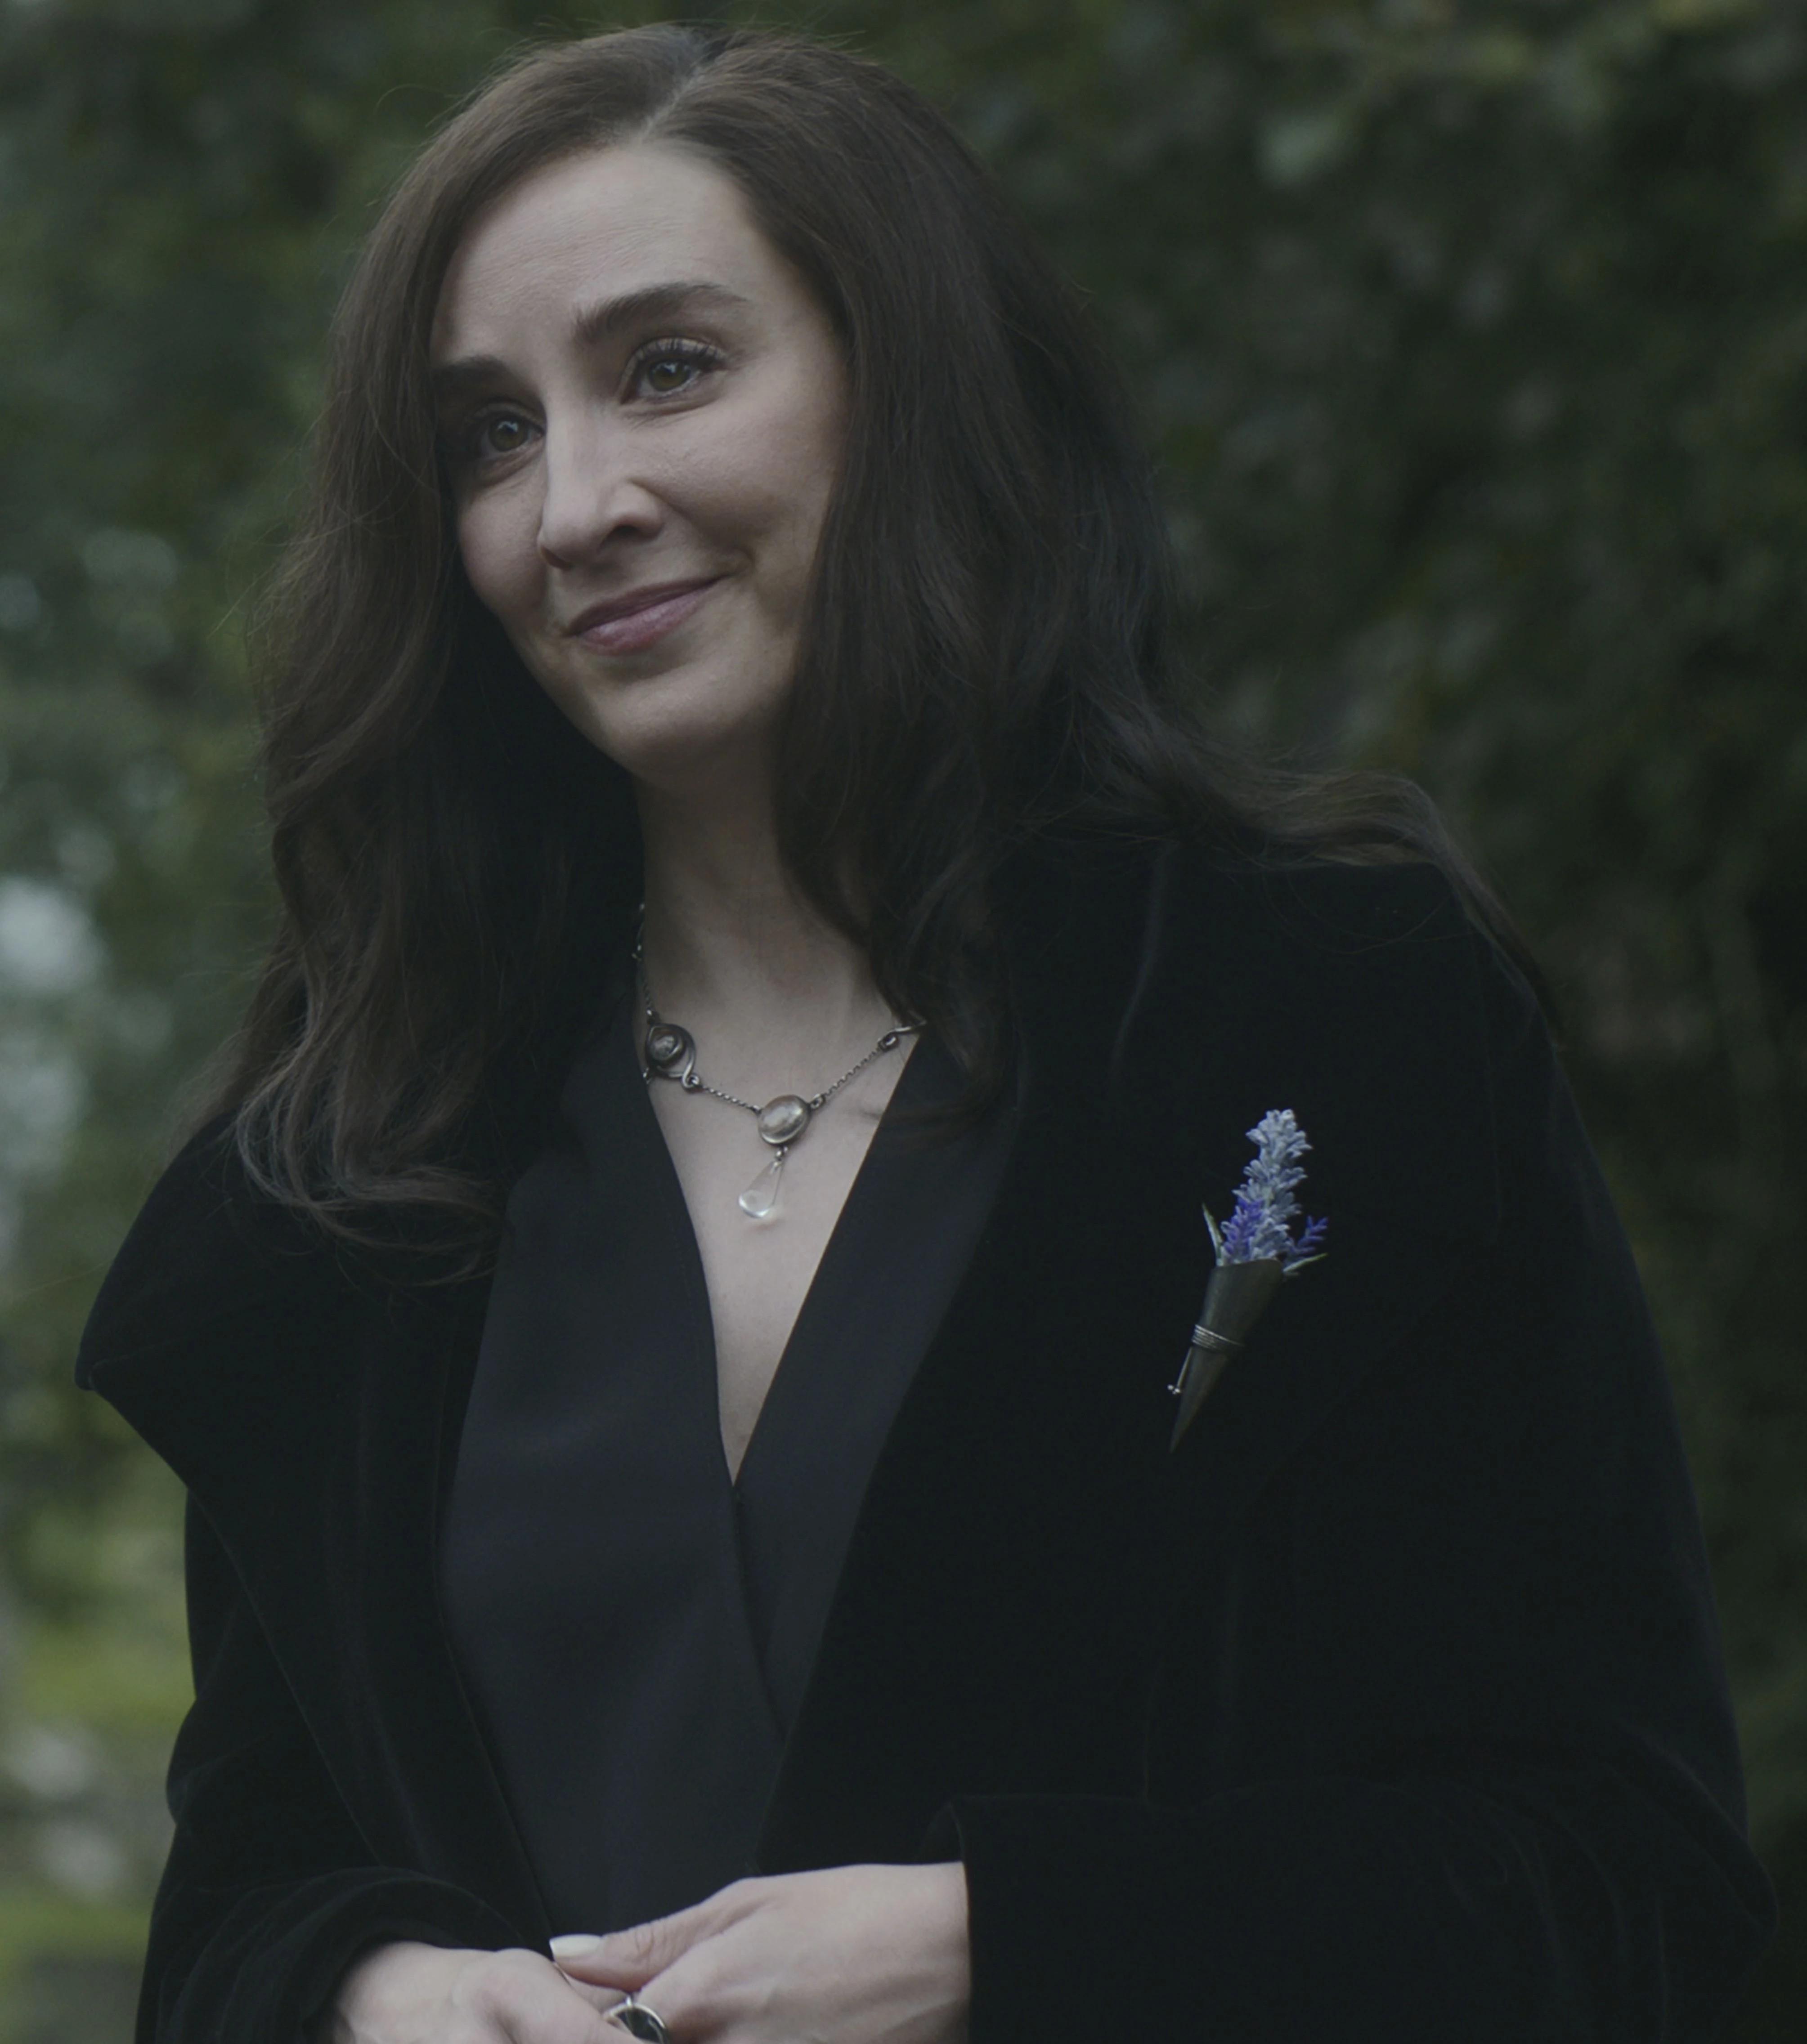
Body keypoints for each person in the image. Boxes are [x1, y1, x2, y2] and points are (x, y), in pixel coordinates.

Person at [76, 23, 1774, 2044]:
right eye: (487, 435)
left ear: (908, 383)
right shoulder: (354, 1180)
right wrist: (374, 1992)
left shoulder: (1328, 1030)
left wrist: (1014, 1945)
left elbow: (1627, 1887)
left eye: (666, 368)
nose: (574, 505)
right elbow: (244, 1905)